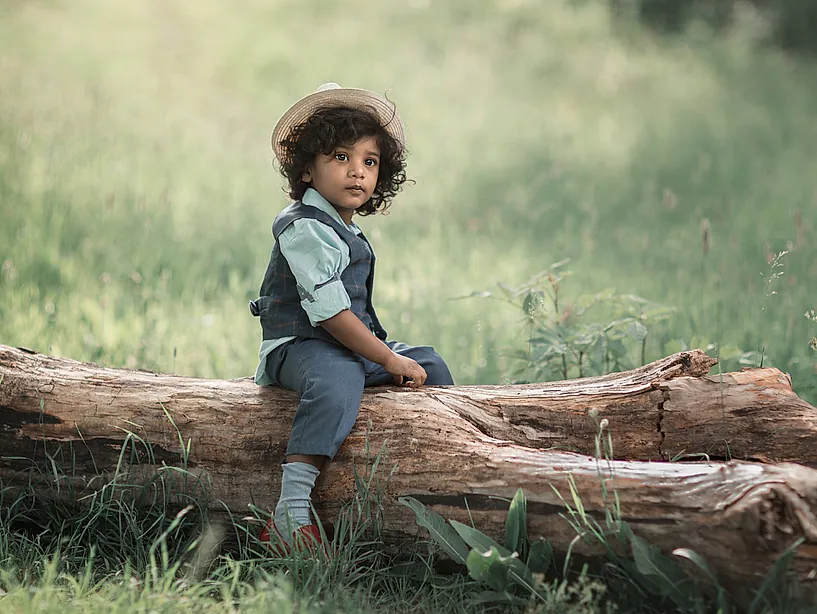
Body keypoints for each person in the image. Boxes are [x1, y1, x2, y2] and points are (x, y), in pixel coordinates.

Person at [250, 83, 455, 549]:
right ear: (307, 168)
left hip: (344, 346)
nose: (357, 172)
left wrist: (395, 359)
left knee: (431, 363)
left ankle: (434, 469)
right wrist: (387, 359)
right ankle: (290, 510)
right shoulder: (303, 225)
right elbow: (330, 316)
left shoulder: (345, 226)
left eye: (369, 161)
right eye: (341, 157)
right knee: (339, 378)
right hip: (298, 347)